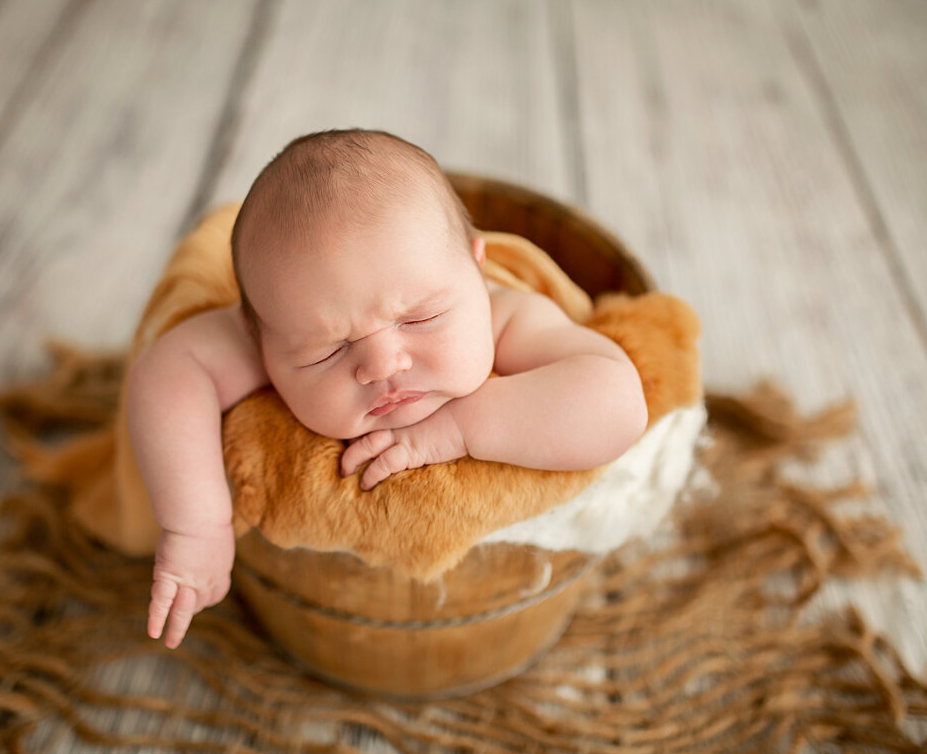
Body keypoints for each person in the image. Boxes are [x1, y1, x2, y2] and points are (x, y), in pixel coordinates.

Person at [126, 129, 648, 649]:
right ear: (259, 338)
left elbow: (620, 405)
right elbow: (168, 372)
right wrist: (196, 526)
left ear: (476, 265)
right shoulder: (285, 319)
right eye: (327, 351)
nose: (382, 364)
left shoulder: (506, 316)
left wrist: (463, 425)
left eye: (421, 318)